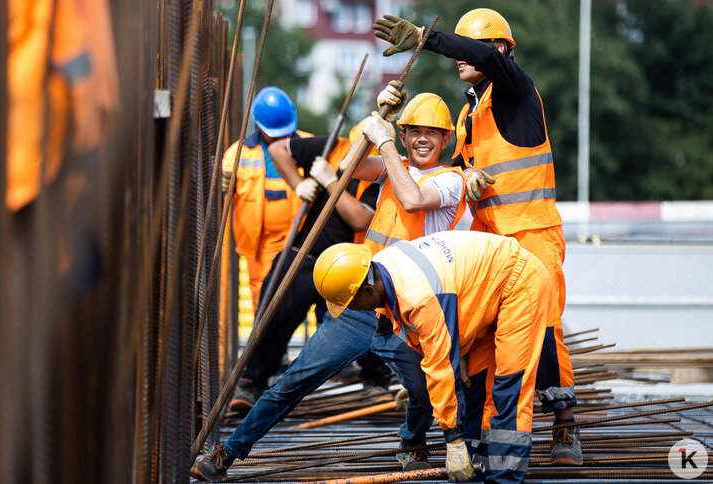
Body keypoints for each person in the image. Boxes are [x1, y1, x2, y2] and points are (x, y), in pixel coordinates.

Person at [191, 89, 465, 481]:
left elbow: (412, 199)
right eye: (414, 131)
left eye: (432, 133)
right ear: (404, 136)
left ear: (446, 139)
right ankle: (228, 454)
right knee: (294, 381)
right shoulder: (391, 164)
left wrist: (385, 140)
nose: (423, 139)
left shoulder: (449, 180)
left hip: (410, 312)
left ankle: (412, 443)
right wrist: (374, 126)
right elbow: (351, 166)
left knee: (423, 391)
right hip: (361, 302)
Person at [373, 8, 582, 465]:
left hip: (532, 232)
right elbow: (476, 168)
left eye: (475, 47)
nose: (461, 57)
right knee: (488, 339)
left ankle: (564, 424)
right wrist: (467, 175)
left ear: (501, 52)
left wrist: (427, 39)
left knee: (543, 331)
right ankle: (490, 435)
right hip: (493, 243)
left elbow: (480, 54)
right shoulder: (471, 111)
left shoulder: (518, 92)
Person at [314, 231, 552, 484]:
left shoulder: (419, 296)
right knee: (476, 386)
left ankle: (506, 477)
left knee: (508, 387)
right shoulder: (382, 268)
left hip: (519, 281)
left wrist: (454, 441)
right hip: (489, 288)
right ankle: (478, 466)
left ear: (369, 289)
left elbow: (441, 367)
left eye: (351, 303)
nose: (353, 310)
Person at [229, 119, 393, 414]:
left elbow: (358, 218)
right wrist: (299, 183)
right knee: (275, 310)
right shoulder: (328, 147)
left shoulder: (383, 174)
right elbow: (279, 149)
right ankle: (252, 380)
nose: (360, 159)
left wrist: (331, 182)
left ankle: (374, 379)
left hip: (354, 263)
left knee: (374, 312)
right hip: (307, 251)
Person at [222, 86, 312, 310]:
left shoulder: (310, 144)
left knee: (303, 291)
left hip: (301, 236)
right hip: (260, 241)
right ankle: (266, 342)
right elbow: (224, 195)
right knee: (262, 296)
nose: (282, 136)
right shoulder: (238, 154)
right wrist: (222, 184)